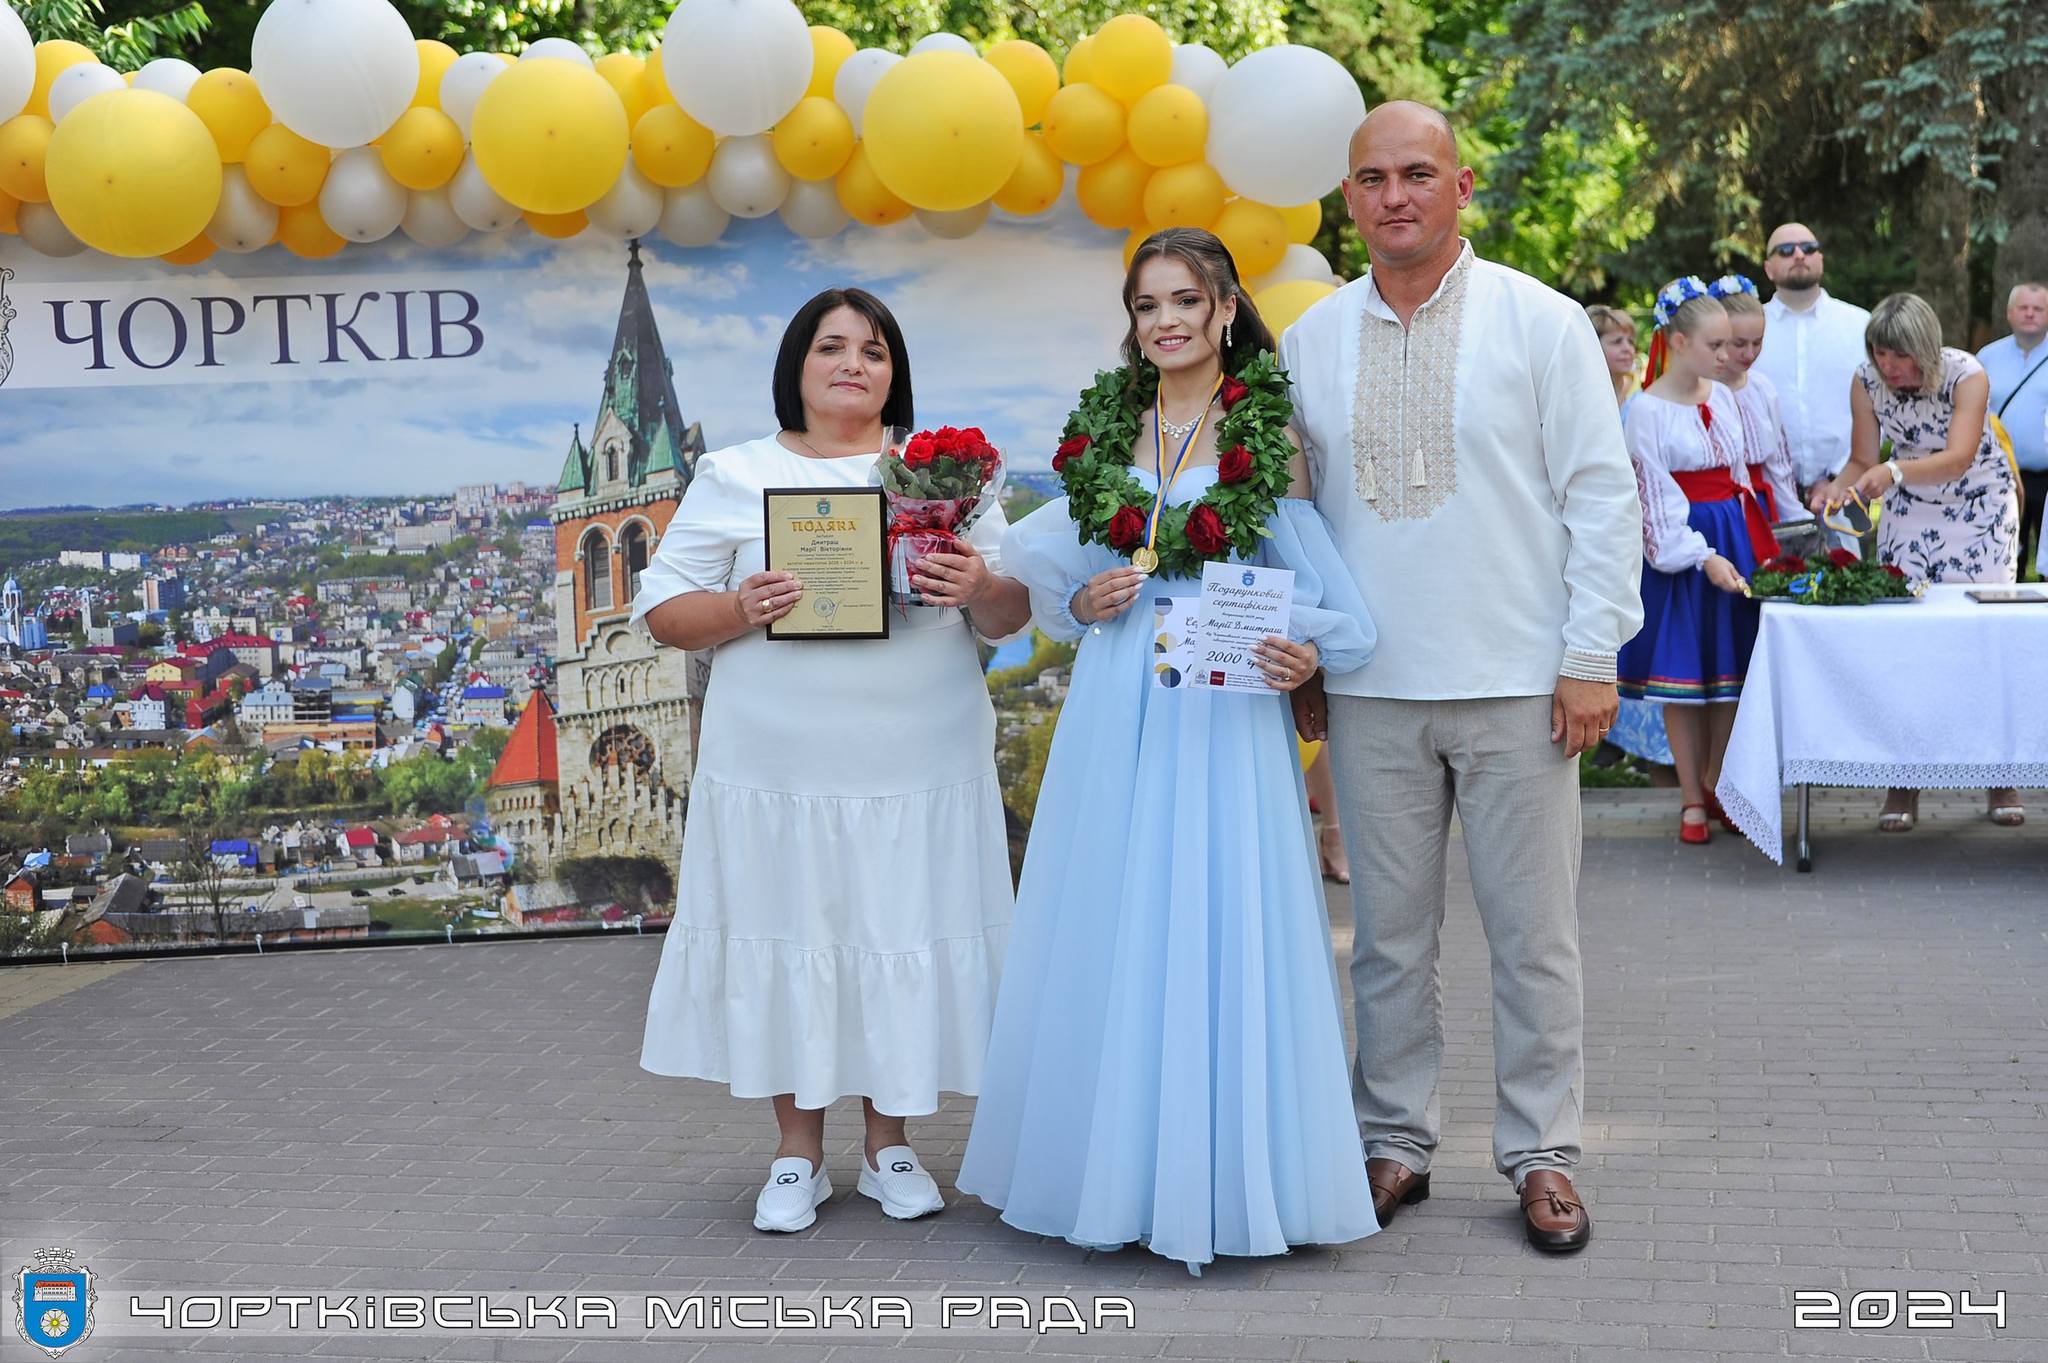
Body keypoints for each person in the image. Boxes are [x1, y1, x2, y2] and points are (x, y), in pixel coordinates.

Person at [958, 227, 1381, 1275]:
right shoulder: (1107, 430)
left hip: (1224, 703)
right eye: (1146, 304)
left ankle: (1228, 1179)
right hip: (1120, 693)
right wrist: (1085, 596)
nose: (1165, 321)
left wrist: (1300, 652)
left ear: (1226, 308)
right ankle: (1111, 1169)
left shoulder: (1266, 434)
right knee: (1114, 904)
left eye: (1184, 299)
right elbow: (1055, 567)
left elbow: (1313, 582)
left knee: (1215, 907)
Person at [1279, 102, 1644, 1254]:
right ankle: (1392, 1141)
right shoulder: (1309, 340)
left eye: (1417, 174)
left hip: (1517, 685)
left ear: (1460, 186)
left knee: (1531, 937)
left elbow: (1599, 493)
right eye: (1373, 179)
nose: (1395, 196)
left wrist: (1591, 656)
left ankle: (1541, 1153)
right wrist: (1298, 654)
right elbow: (1285, 520)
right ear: (1347, 199)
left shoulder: (1536, 322)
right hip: (1368, 686)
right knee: (1385, 937)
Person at [632, 287, 1032, 1234]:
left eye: (874, 349)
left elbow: (1010, 614)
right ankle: (795, 1154)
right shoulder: (735, 472)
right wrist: (742, 607)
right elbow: (664, 611)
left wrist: (979, 582)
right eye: (831, 347)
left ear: (896, 372)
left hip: (918, 755)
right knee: (796, 925)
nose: (854, 363)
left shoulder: (947, 474)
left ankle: (891, 1144)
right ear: (796, 368)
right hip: (781, 763)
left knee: (898, 922)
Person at [1808, 291, 2025, 830]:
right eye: (1881, 354)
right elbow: (1862, 458)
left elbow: (1957, 457)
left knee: (1983, 640)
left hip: (1979, 508)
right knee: (1906, 640)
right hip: (1910, 509)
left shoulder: (1966, 375)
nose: (1889, 366)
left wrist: (1893, 473)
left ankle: (2002, 775)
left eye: (1899, 356)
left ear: (1925, 349)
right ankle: (1903, 782)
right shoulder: (1865, 380)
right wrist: (1836, 491)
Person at [1615, 278, 1769, 844]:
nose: (1729, 357)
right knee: (1687, 676)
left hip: (1732, 535)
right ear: (1679, 342)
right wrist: (1699, 556)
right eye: (1717, 347)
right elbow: (1651, 497)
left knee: (1728, 673)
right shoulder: (1646, 411)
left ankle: (1719, 783)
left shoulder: (1725, 398)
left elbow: (1741, 474)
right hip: (1682, 549)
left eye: (1733, 346)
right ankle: (1690, 798)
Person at [1587, 302, 1676, 774]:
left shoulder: (1642, 402)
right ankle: (1616, 736)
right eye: (1614, 340)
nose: (1627, 348)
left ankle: (1651, 748)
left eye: (1629, 339)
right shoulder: (1585, 402)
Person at [1754, 222, 1872, 497]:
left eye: (1808, 248)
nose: (1798, 255)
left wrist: (1841, 477)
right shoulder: (1748, 331)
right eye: (1785, 250)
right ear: (1768, 268)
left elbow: (1883, 406)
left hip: (1845, 491)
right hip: (1768, 494)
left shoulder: (1860, 325)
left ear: (1820, 259)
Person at [1709, 274, 1808, 527]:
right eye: (1739, 343)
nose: (1750, 353)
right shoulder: (1703, 390)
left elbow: (1778, 465)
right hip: (1719, 508)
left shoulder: (1762, 388)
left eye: (1758, 342)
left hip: (1761, 506)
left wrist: (1796, 518)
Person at [1977, 281, 2048, 576]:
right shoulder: (1987, 357)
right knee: (2003, 558)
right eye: (2024, 308)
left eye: (2038, 309)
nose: (2030, 314)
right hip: (2001, 476)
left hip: (2046, 478)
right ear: (2009, 313)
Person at [1586, 303, 1642, 415]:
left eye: (1630, 341)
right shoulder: (1584, 396)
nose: (1627, 349)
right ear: (1594, 345)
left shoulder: (1639, 394)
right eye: (1617, 341)